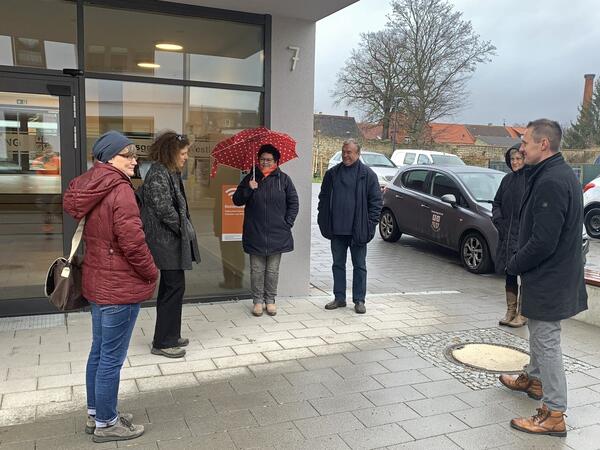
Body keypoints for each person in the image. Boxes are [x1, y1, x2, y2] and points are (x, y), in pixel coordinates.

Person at [63, 131, 158, 443]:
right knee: (111, 359)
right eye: (127, 155)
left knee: (99, 352)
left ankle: (97, 413)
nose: (134, 161)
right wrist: (151, 272)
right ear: (107, 158)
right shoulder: (120, 190)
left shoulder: (91, 184)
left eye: (134, 155)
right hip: (118, 286)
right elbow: (133, 242)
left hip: (98, 282)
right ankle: (107, 423)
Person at [499, 119, 588, 437]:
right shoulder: (554, 173)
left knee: (546, 343)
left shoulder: (551, 180)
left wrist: (515, 263)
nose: (520, 148)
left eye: (525, 142)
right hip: (550, 276)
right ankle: (533, 378)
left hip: (549, 278)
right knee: (539, 336)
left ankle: (554, 412)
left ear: (544, 145)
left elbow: (544, 240)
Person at [140, 131, 200, 358]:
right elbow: (163, 208)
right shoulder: (158, 173)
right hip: (164, 241)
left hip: (170, 240)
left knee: (174, 287)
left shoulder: (168, 171)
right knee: (172, 289)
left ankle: (171, 335)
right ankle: (163, 342)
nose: (186, 157)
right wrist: (184, 227)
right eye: (183, 153)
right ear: (171, 152)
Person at [232, 144, 299, 317]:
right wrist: (249, 188)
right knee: (257, 270)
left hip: (278, 233)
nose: (265, 162)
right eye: (262, 159)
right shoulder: (251, 178)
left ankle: (270, 301)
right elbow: (237, 200)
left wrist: (287, 223)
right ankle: (257, 302)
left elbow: (294, 203)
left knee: (272, 271)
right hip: (255, 233)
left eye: (269, 160)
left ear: (276, 161)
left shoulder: (284, 180)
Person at [317, 139, 382, 314]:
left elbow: (376, 203)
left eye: (349, 152)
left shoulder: (367, 175)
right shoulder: (332, 174)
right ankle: (339, 298)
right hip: (336, 229)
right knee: (338, 264)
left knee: (359, 266)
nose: (346, 155)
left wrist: (370, 225)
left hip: (358, 230)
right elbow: (323, 198)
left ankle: (359, 300)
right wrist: (323, 218)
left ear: (358, 154)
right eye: (344, 151)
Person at [492, 144, 528, 327]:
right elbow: (496, 203)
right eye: (512, 159)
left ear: (524, 159)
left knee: (526, 275)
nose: (515, 162)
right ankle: (510, 311)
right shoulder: (506, 180)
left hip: (524, 236)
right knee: (510, 273)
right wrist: (500, 221)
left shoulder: (531, 180)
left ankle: (523, 313)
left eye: (518, 159)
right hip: (507, 236)